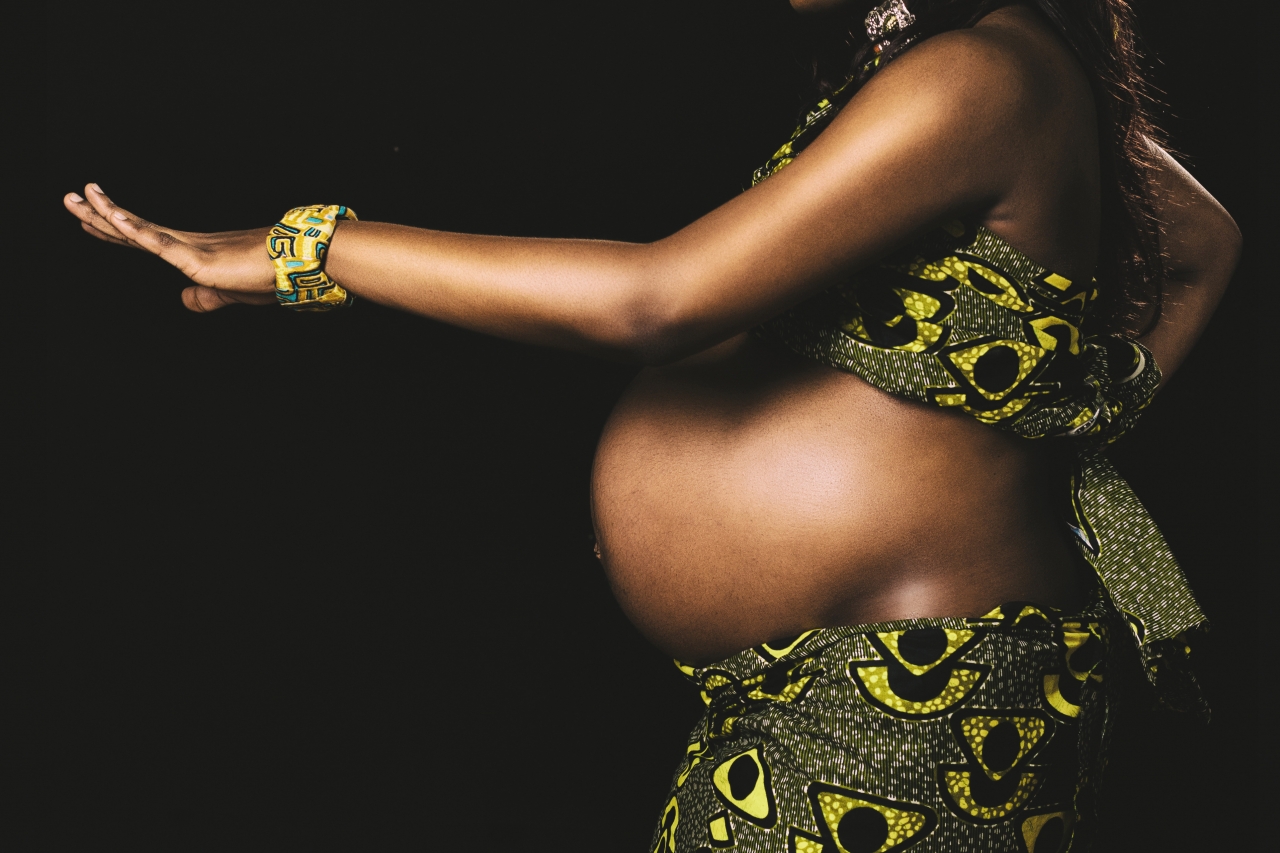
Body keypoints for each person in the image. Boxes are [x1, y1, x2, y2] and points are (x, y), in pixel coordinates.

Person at [61, 1, 1239, 850]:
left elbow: (654, 302)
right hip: (831, 686)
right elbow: (1201, 238)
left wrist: (308, 249)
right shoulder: (988, 62)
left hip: (910, 702)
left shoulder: (981, 73)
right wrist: (1059, 414)